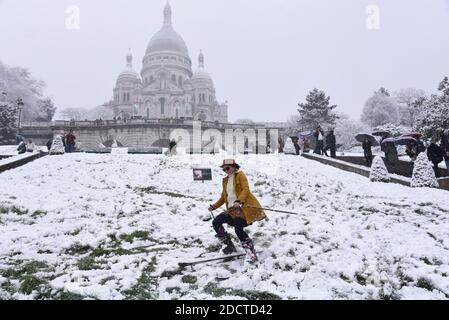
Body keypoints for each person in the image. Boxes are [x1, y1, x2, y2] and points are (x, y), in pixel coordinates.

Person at [209, 159, 267, 264]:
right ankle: (228, 245)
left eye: (227, 168)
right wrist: (214, 206)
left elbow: (246, 189)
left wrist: (239, 201)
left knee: (238, 229)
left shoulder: (240, 175)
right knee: (216, 222)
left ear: (234, 166)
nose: (226, 171)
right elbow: (223, 197)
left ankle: (251, 253)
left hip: (242, 208)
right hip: (231, 209)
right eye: (224, 169)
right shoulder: (226, 180)